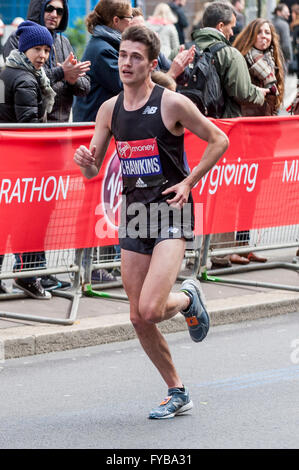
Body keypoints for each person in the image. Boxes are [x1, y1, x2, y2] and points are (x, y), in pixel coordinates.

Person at [74, 25, 229, 419]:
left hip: (169, 211)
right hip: (134, 215)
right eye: (123, 55)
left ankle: (188, 298)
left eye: (135, 57)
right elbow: (92, 171)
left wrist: (189, 182)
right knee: (137, 316)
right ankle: (177, 390)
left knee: (153, 307)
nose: (126, 63)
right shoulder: (109, 110)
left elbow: (218, 140)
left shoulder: (171, 104)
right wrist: (87, 165)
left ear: (151, 64)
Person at [3, 0, 91, 291]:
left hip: (56, 135)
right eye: (50, 8)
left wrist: (70, 78)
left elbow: (83, 85)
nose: (55, 14)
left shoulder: (63, 42)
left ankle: (35, 270)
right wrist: (61, 77)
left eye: (60, 10)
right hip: (29, 144)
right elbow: (21, 82)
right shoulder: (18, 42)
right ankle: (28, 271)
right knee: (22, 210)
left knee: (43, 208)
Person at [0, 20, 56, 298]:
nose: (43, 56)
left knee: (6, 219)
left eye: (47, 49)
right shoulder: (25, 79)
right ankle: (28, 276)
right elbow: (29, 125)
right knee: (30, 220)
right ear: (24, 49)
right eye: (38, 49)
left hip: (8, 161)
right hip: (25, 163)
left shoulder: (7, 72)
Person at [272, 3, 293, 73]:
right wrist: (289, 58)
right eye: (286, 12)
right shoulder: (284, 25)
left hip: (271, 58)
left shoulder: (271, 22)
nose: (289, 14)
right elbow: (286, 44)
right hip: (281, 58)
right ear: (278, 12)